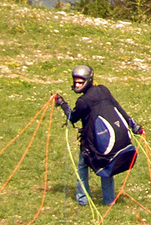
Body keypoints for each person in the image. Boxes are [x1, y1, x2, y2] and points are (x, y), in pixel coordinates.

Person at [52, 64, 143, 206]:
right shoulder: (103, 90)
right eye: (75, 81)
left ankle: (82, 200)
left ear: (88, 80)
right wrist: (134, 126)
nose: (77, 84)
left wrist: (62, 103)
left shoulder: (83, 101)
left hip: (93, 143)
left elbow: (72, 117)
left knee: (83, 166)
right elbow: (118, 108)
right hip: (110, 140)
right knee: (107, 166)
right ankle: (109, 200)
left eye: (80, 82)